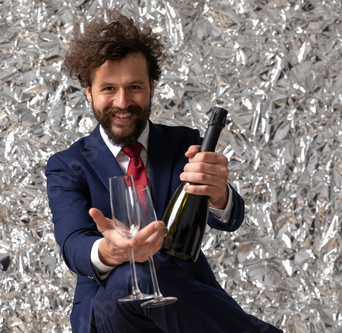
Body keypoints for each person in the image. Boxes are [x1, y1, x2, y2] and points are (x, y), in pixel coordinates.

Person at [45, 9, 282, 333]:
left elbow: (229, 217)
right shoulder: (67, 166)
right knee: (132, 274)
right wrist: (111, 250)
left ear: (152, 87)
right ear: (88, 91)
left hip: (183, 301)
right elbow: (73, 243)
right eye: (108, 89)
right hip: (107, 310)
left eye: (135, 87)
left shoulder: (184, 144)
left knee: (145, 270)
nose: (123, 101)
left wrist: (219, 195)